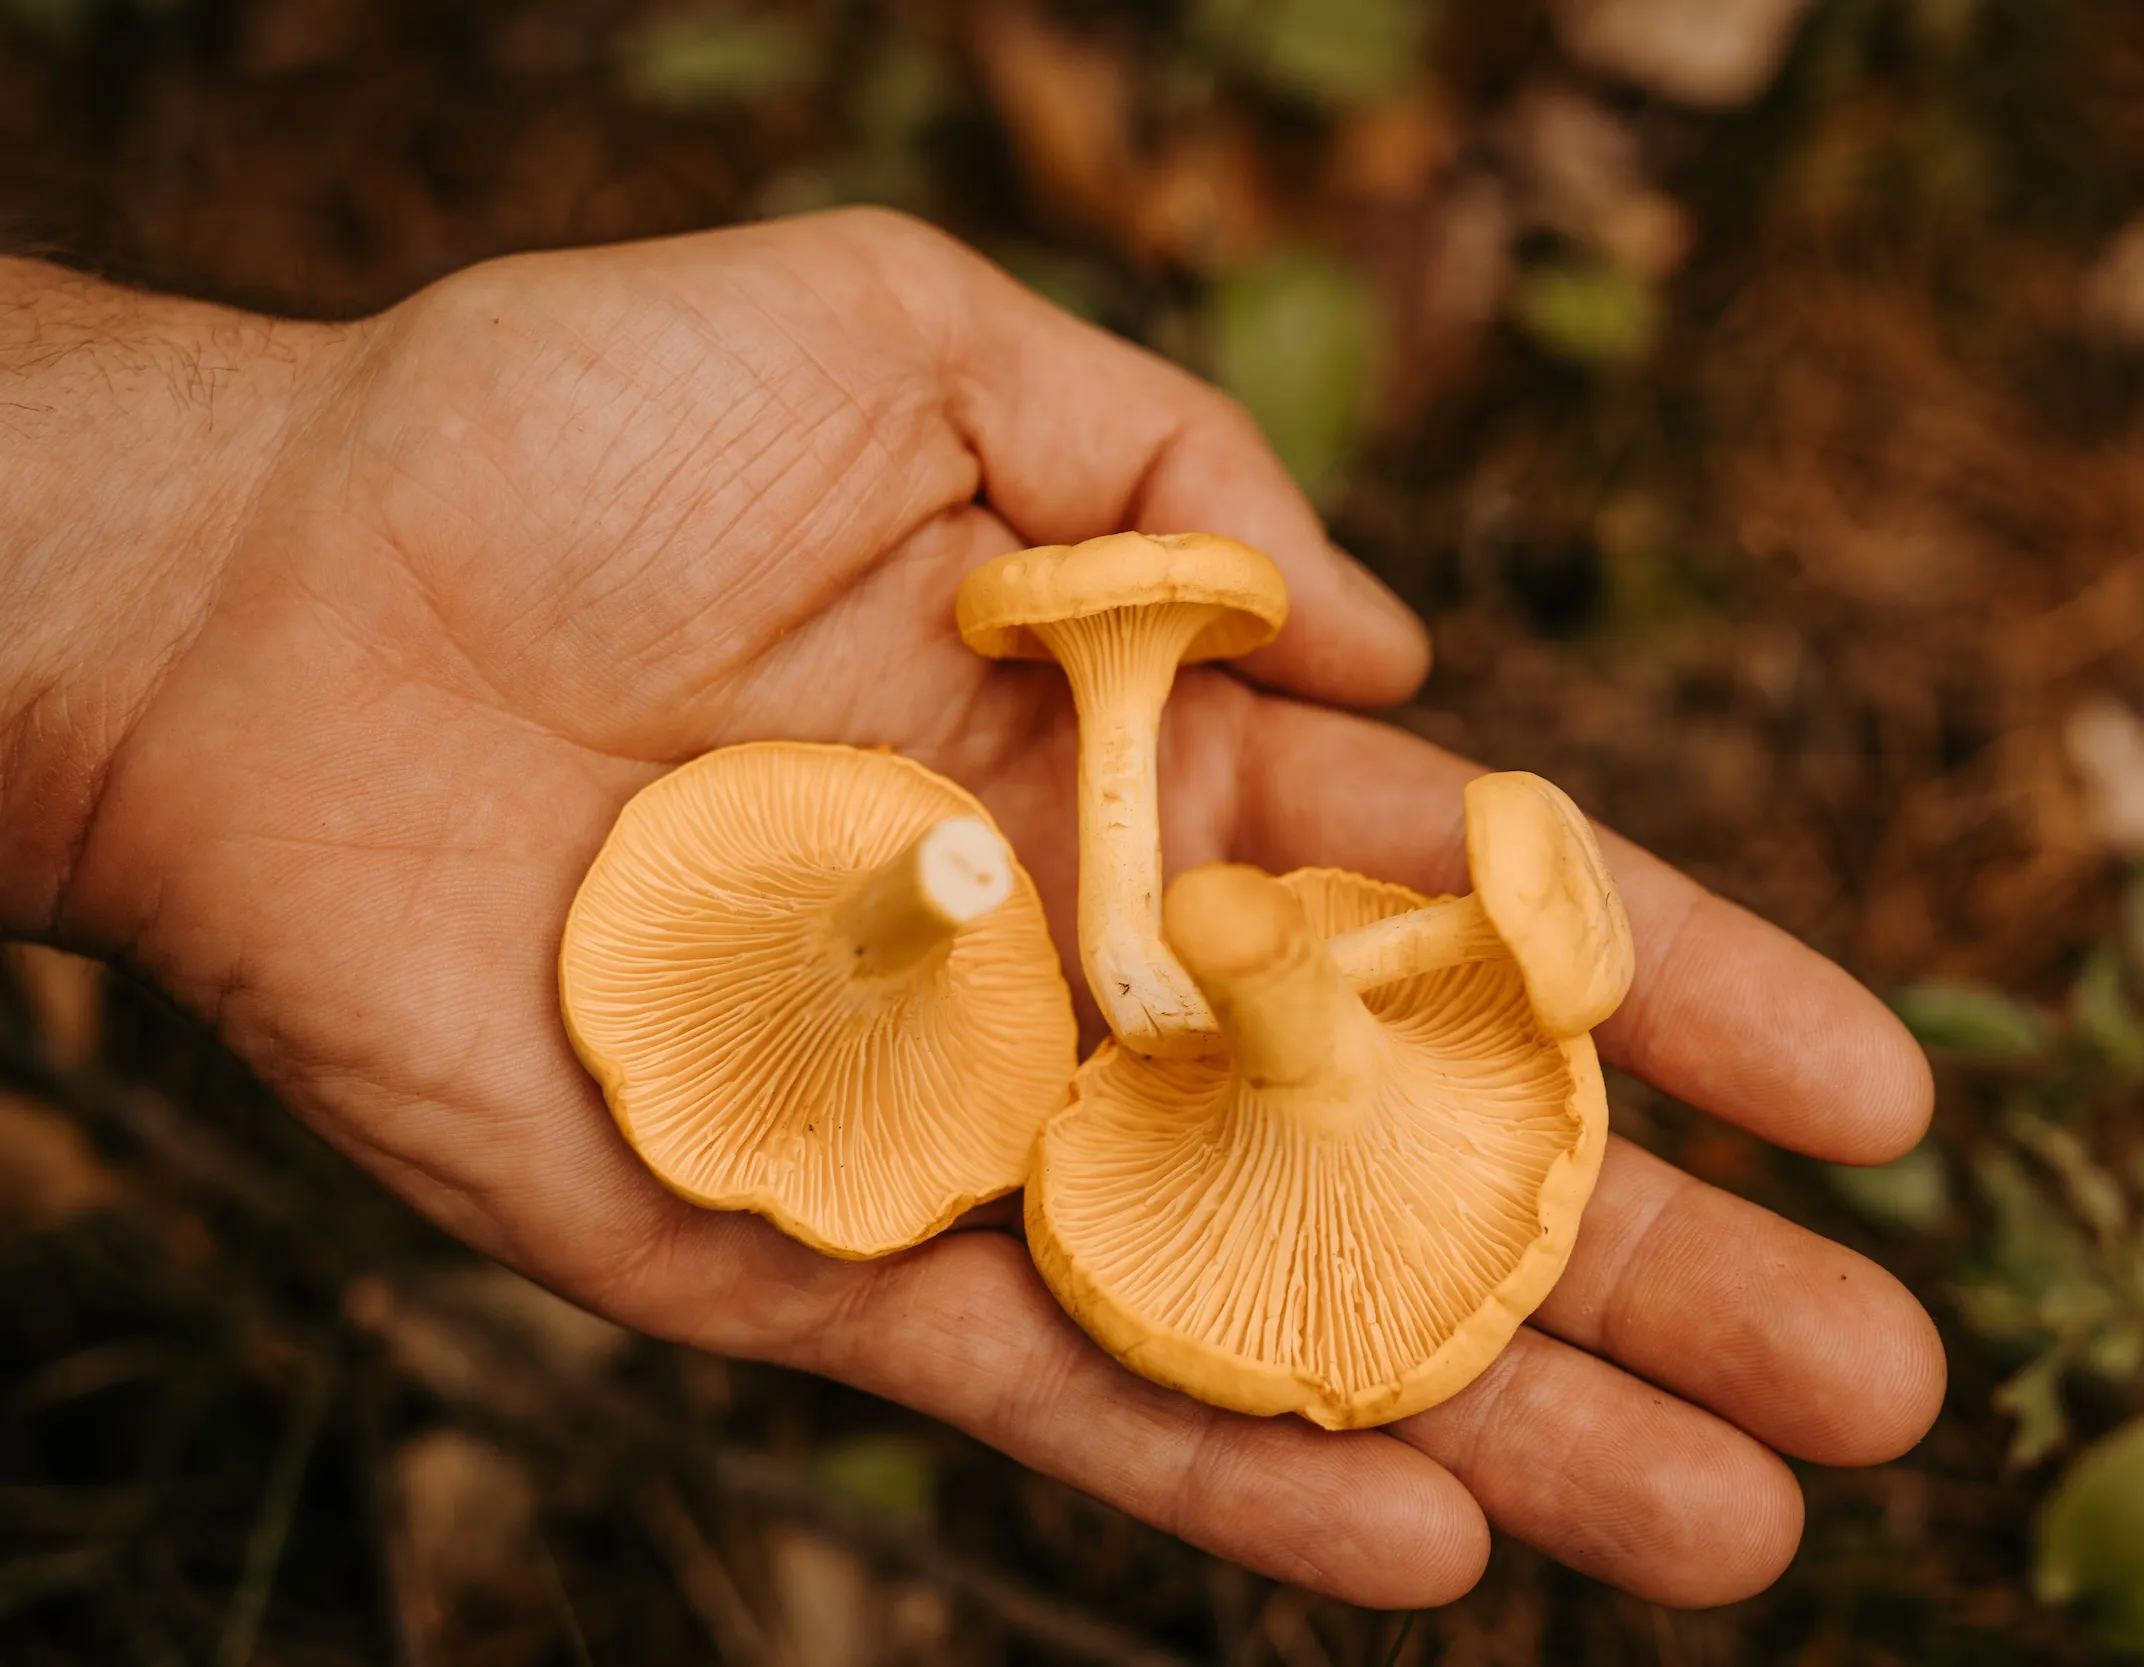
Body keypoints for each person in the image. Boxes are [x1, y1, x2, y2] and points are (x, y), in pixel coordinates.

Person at [0, 208, 1942, 1609]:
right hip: (831, 988)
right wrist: (197, 573)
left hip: (1325, 1138)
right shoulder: (954, 895)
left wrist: (178, 582)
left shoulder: (1228, 1003)